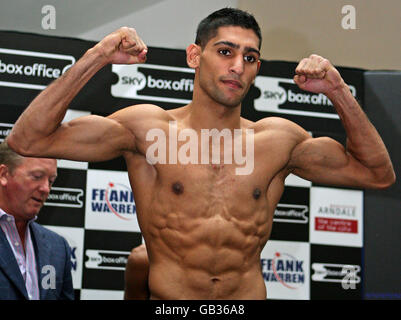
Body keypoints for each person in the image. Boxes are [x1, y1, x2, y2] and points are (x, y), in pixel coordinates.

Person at [6, 8, 395, 299]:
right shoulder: (147, 130)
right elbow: (29, 140)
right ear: (194, 56)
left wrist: (338, 91)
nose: (237, 66)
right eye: (225, 51)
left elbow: (377, 174)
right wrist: (97, 56)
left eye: (250, 57)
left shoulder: (277, 141)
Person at [0, 142, 74, 300]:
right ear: (3, 175)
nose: (46, 188)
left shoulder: (58, 247)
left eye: (51, 181)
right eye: (37, 177)